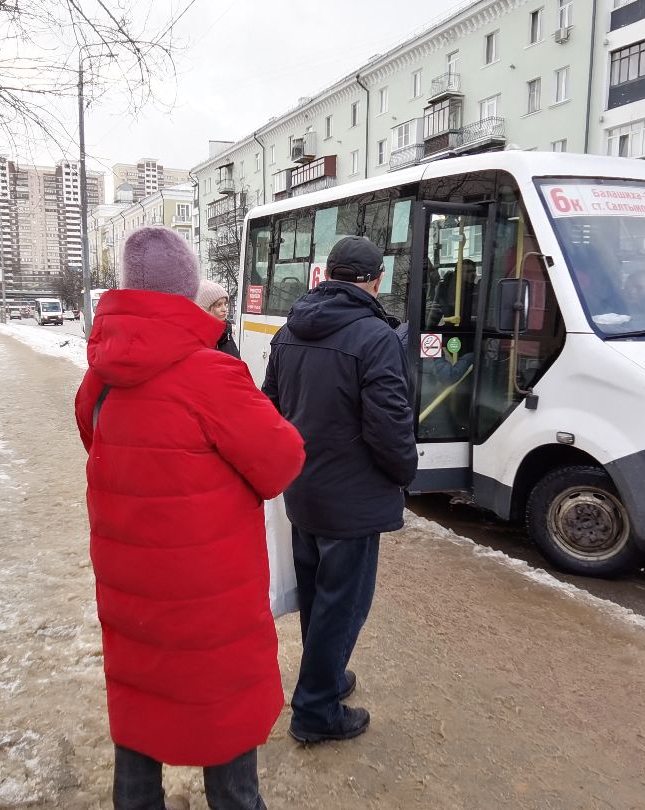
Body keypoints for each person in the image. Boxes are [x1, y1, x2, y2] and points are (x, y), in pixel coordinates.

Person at [74, 226, 306, 810]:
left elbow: (101, 446)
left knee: (140, 710)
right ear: (186, 292)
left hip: (132, 593)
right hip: (209, 601)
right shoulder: (211, 376)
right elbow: (282, 463)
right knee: (221, 721)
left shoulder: (99, 378)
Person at [262, 235, 418, 744]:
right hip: (352, 498)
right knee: (343, 604)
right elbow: (389, 425)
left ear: (328, 274)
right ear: (375, 280)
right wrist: (404, 473)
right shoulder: (376, 338)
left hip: (303, 491)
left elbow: (270, 407)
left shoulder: (289, 330)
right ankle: (315, 710)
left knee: (317, 598)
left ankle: (324, 679)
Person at [196, 279, 239, 358]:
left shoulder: (226, 333)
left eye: (225, 304)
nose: (224, 309)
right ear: (205, 309)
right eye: (218, 305)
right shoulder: (198, 339)